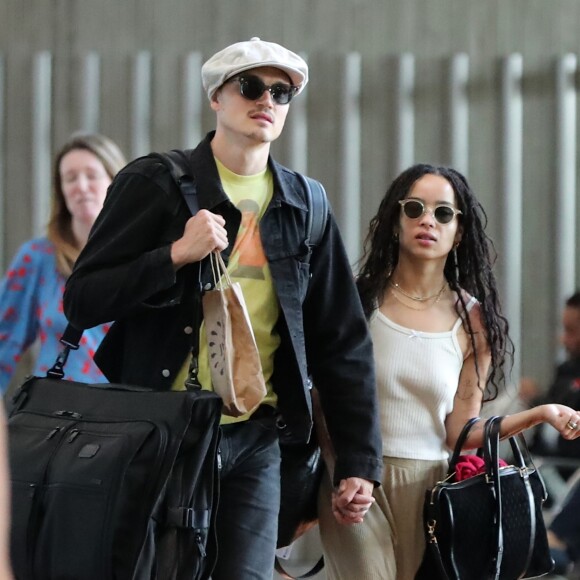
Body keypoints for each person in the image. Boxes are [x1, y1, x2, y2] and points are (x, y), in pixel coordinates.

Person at [63, 38, 383, 580]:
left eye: (281, 93)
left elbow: (341, 340)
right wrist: (173, 255)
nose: (267, 101)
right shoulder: (155, 183)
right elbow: (84, 298)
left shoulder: (306, 205)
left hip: (258, 434)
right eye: (251, 86)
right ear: (217, 97)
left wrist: (358, 461)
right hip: (161, 430)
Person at [317, 163, 580, 580]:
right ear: (395, 220)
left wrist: (540, 414)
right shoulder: (357, 297)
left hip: (432, 489)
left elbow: (459, 432)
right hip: (354, 478)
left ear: (459, 231)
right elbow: (323, 394)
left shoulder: (475, 321)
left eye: (443, 213)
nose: (427, 220)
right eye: (414, 208)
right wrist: (342, 468)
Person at [0, 133, 127, 393]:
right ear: (61, 191)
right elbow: (3, 341)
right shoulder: (37, 258)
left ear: (116, 181)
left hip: (125, 417)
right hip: (56, 416)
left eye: (91, 175)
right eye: (70, 178)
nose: (81, 186)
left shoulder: (145, 257)